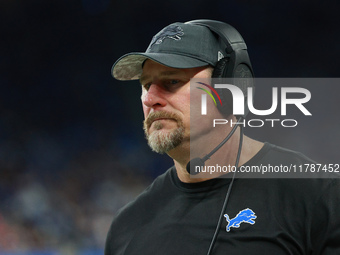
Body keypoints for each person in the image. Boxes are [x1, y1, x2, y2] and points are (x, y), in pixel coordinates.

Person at [105, 20, 340, 255]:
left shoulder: (316, 195)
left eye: (172, 81)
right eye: (146, 85)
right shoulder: (127, 226)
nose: (150, 99)